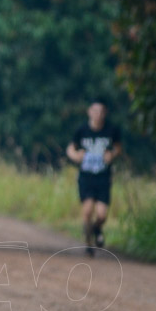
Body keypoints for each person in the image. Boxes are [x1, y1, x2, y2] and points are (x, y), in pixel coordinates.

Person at [66, 102, 122, 256]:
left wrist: (112, 155)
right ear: (89, 112)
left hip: (103, 177)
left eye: (101, 111)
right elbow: (70, 148)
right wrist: (76, 156)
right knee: (88, 209)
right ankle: (88, 243)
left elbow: (118, 147)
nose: (98, 114)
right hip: (86, 177)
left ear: (105, 113)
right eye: (95, 111)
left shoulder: (111, 130)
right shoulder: (82, 130)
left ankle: (97, 228)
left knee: (102, 214)